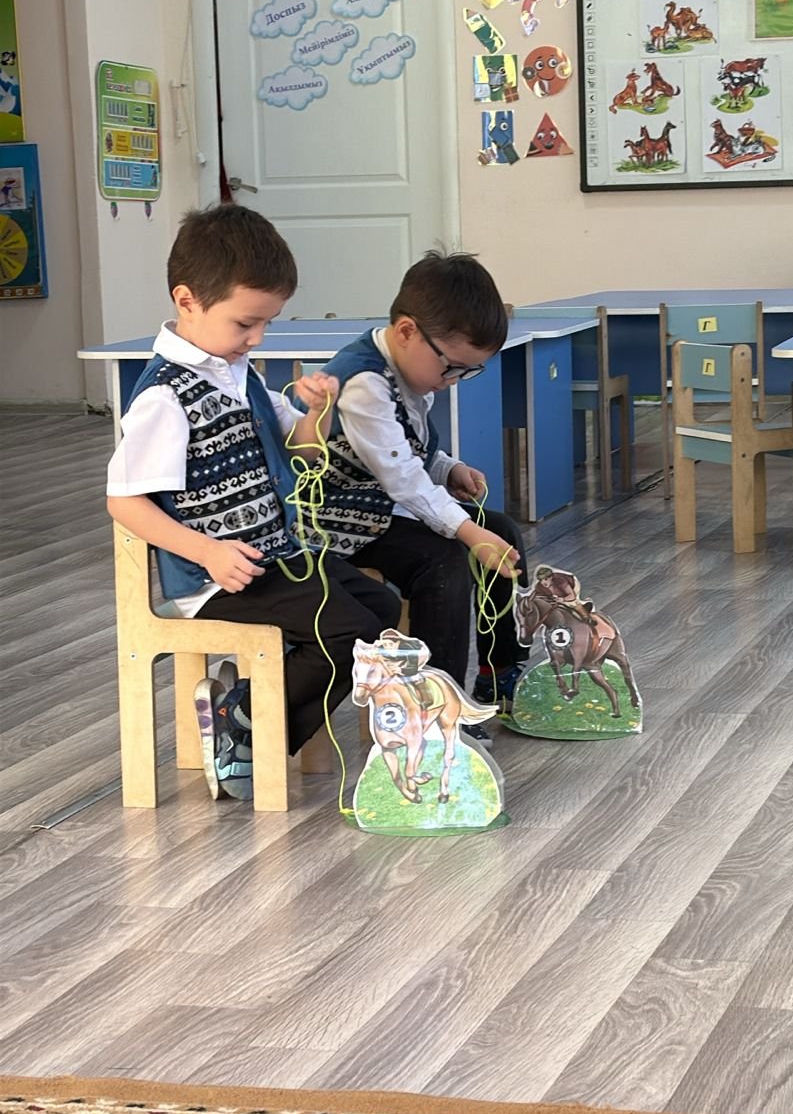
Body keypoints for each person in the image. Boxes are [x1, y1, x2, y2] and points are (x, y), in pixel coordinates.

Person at [106, 204, 400, 800]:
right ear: (187, 301)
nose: (258, 338)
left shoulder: (238, 373)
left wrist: (318, 412)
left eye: (267, 322)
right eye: (246, 322)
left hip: (274, 559)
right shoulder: (165, 397)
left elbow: (302, 448)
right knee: (346, 632)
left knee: (382, 608)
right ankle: (249, 729)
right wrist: (207, 552)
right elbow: (124, 501)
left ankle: (244, 714)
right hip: (216, 580)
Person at [298, 250, 529, 743]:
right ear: (407, 331)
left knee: (502, 531)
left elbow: (408, 450)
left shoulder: (410, 369)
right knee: (444, 561)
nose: (452, 382)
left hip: (381, 509)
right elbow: (400, 475)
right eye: (452, 368)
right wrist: (467, 531)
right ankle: (431, 713)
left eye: (466, 372)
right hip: (337, 521)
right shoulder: (363, 384)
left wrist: (447, 468)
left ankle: (498, 673)